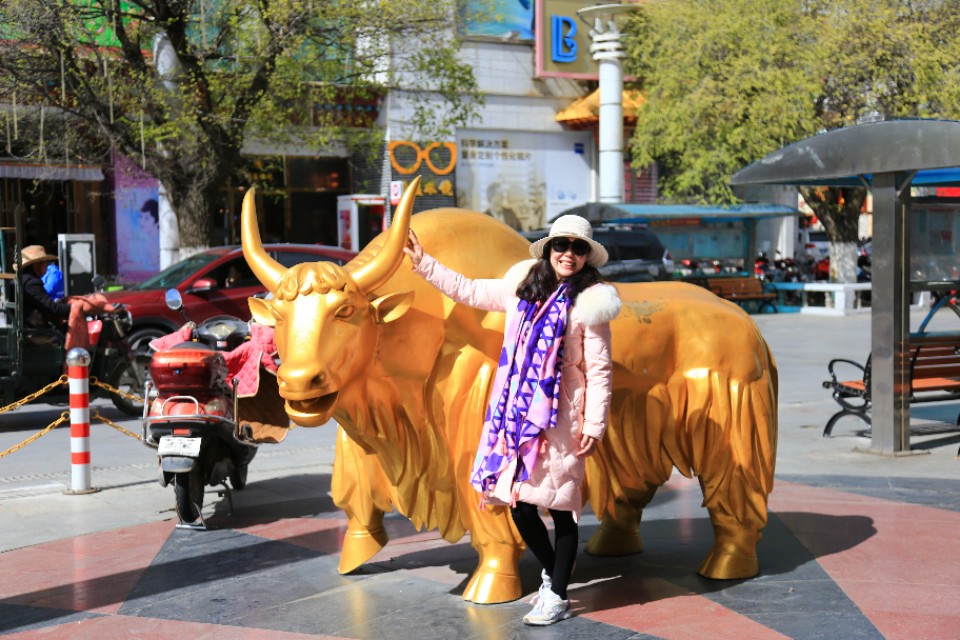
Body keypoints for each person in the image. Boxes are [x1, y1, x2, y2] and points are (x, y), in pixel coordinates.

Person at [404, 214, 621, 626]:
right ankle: (554, 570)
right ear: (549, 249)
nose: (568, 255)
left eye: (578, 248)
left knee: (560, 507)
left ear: (588, 256)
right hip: (514, 417)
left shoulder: (591, 302)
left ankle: (557, 595)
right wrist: (423, 262)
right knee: (519, 506)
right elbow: (466, 289)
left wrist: (594, 424)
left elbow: (600, 369)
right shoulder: (522, 288)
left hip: (562, 418)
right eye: (562, 245)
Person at [16, 245, 71, 328]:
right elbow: (51, 308)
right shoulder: (31, 283)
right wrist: (74, 307)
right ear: (37, 265)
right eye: (45, 262)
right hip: (33, 330)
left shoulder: (25, 279)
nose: (47, 266)